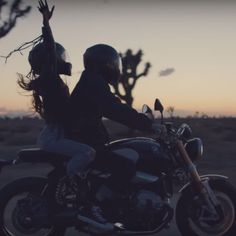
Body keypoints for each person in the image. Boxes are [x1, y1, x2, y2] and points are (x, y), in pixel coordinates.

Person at [17, 0, 113, 232]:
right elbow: (49, 53)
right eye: (58, 56)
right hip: (54, 138)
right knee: (86, 153)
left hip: (57, 134)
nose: (62, 58)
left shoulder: (54, 82)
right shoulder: (50, 79)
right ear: (50, 61)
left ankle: (76, 191)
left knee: (93, 152)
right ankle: (72, 187)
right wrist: (46, 25)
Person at [67, 44, 156, 194]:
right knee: (126, 168)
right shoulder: (93, 84)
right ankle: (99, 203)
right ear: (104, 64)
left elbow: (113, 106)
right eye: (114, 63)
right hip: (85, 141)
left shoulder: (91, 80)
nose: (116, 67)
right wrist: (147, 124)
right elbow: (115, 109)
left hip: (86, 139)